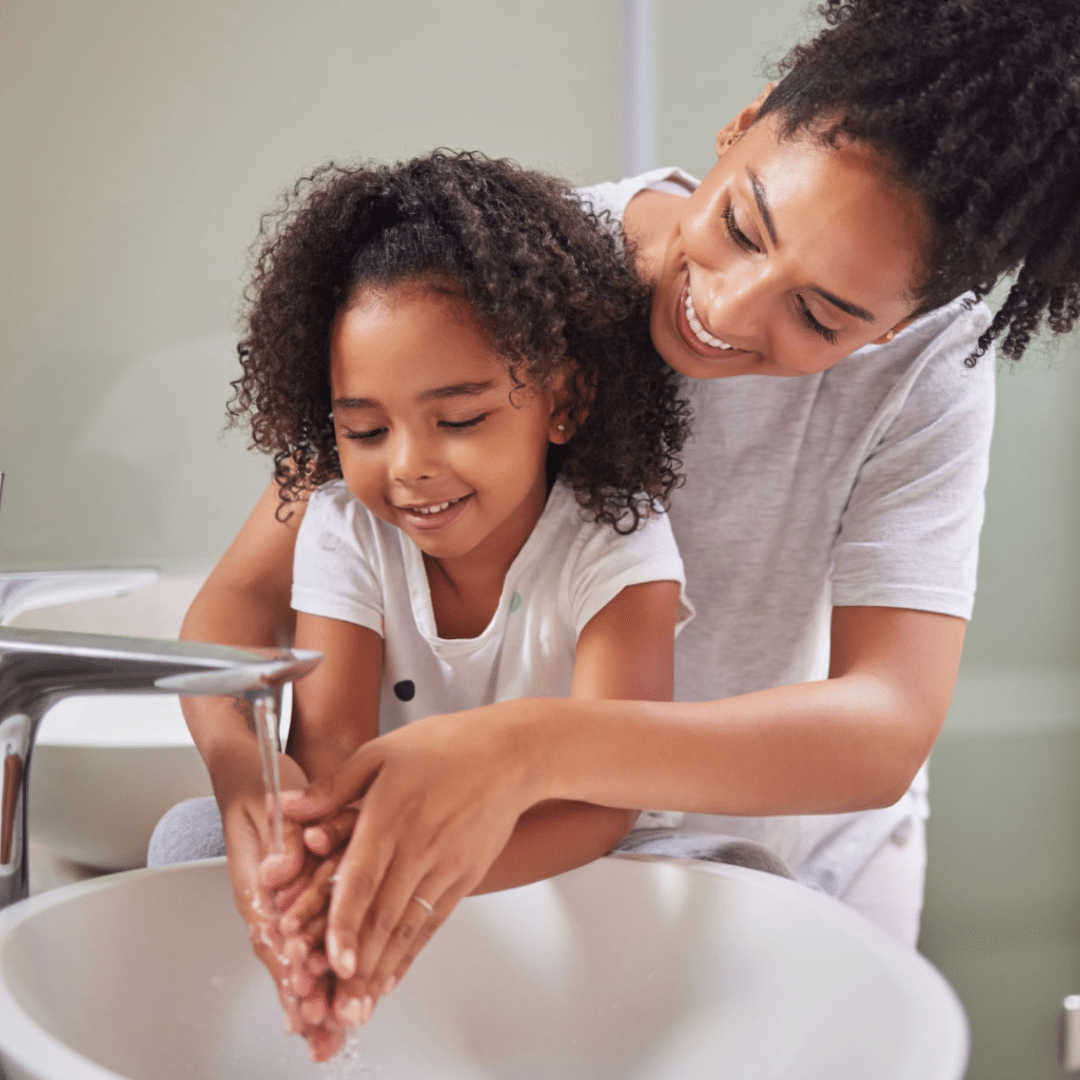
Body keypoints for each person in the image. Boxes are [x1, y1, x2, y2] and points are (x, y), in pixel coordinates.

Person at [175, 0, 1080, 1055]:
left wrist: (526, 749)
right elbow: (244, 595)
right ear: (742, 126)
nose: (729, 310)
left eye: (820, 316)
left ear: (901, 324)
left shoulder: (928, 373)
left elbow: (884, 725)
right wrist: (245, 778)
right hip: (505, 842)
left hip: (779, 864)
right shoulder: (510, 271)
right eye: (742, 226)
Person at [161, 151, 693, 1058]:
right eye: (365, 430)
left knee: (740, 872)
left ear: (563, 399)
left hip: (575, 853)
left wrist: (413, 884)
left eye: (460, 420)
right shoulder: (346, 527)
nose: (408, 466)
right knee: (188, 840)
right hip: (385, 837)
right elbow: (329, 751)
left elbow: (606, 801)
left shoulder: (618, 541)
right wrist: (324, 894)